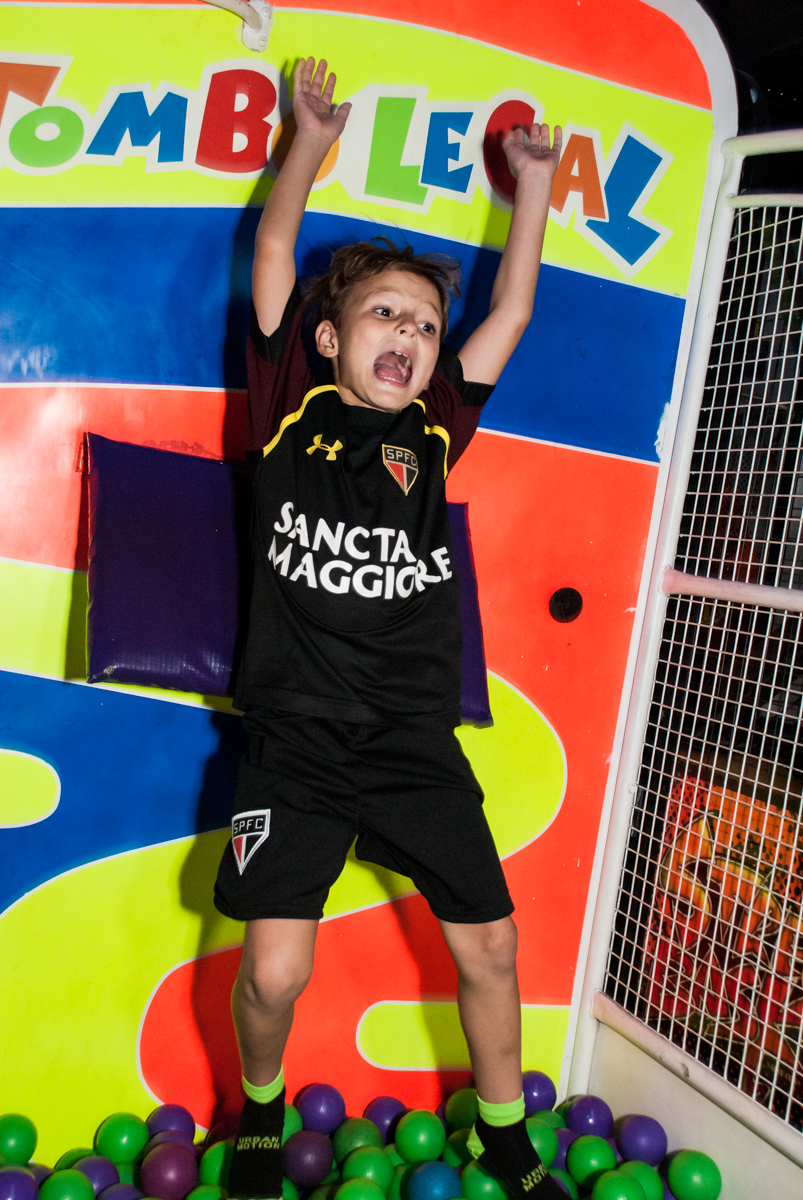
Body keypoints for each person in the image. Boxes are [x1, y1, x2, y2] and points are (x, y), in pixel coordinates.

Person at [214, 55, 563, 1200]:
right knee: (273, 971)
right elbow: (274, 253)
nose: (406, 335)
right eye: (381, 315)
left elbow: (508, 309)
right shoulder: (285, 410)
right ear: (329, 337)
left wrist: (531, 191)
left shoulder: (436, 432)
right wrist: (306, 142)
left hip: (413, 743)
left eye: (420, 324)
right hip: (294, 743)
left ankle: (504, 1135)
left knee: (492, 946)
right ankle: (259, 1113)